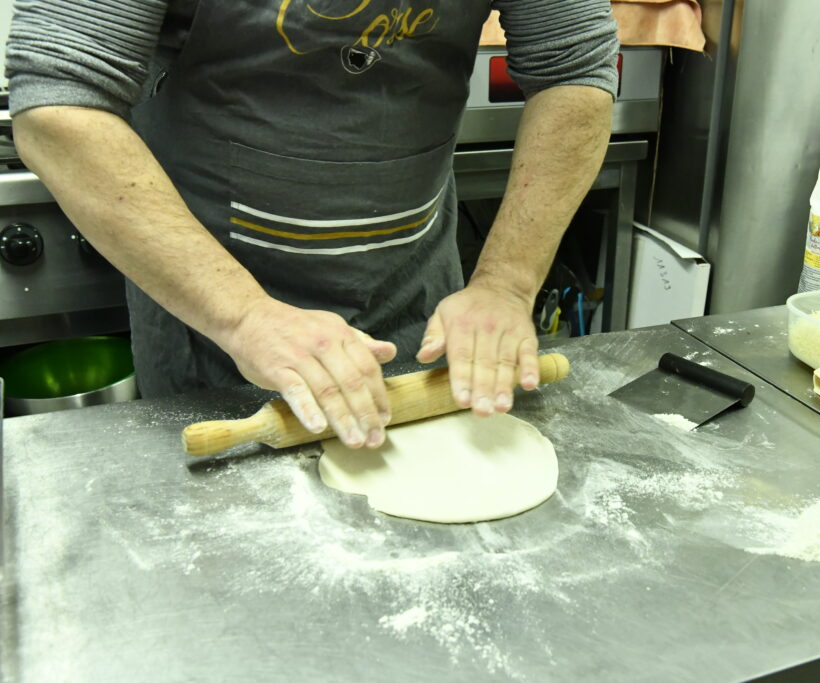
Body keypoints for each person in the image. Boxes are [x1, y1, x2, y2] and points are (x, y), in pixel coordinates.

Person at [5, 0, 618, 449]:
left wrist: (506, 283)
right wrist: (244, 315)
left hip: (418, 294)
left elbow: (575, 73)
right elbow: (60, 103)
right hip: (212, 315)